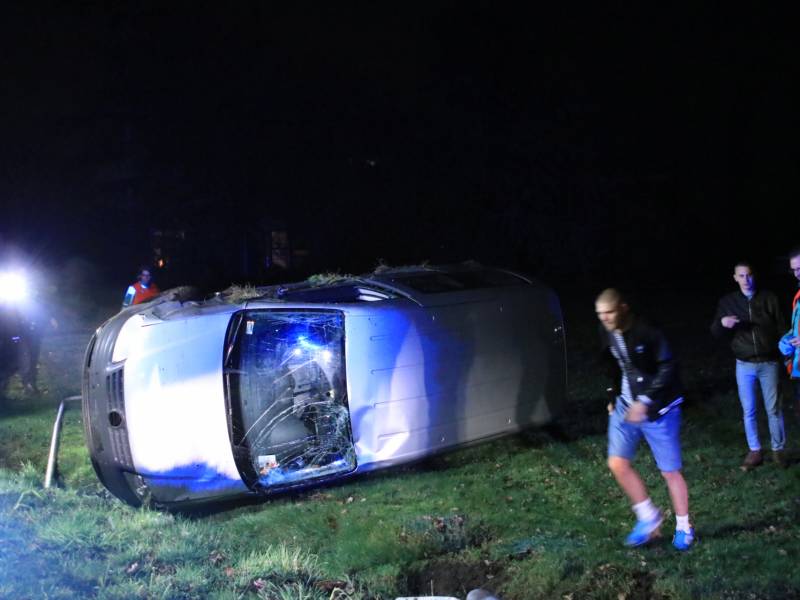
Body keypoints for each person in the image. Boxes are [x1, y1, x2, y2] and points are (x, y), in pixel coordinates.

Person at [596, 288, 695, 551]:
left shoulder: (647, 330)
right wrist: (613, 395)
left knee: (670, 471)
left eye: (609, 313)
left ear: (623, 308)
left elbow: (668, 366)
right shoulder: (606, 331)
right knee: (617, 462)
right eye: (600, 314)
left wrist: (646, 400)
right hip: (625, 405)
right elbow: (610, 363)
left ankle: (684, 526)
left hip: (659, 408)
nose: (604, 319)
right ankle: (648, 516)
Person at [711, 261, 786, 469]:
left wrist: (785, 351)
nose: (746, 280)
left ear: (755, 275)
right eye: (742, 276)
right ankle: (755, 450)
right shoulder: (728, 302)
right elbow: (715, 331)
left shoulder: (769, 298)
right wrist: (722, 323)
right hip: (744, 364)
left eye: (749, 275)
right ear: (735, 278)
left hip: (769, 362)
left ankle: (778, 450)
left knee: (774, 409)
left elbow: (782, 327)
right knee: (749, 410)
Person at [779, 246, 800, 420]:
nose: (797, 274)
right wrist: (787, 338)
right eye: (794, 270)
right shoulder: (798, 295)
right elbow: (796, 327)